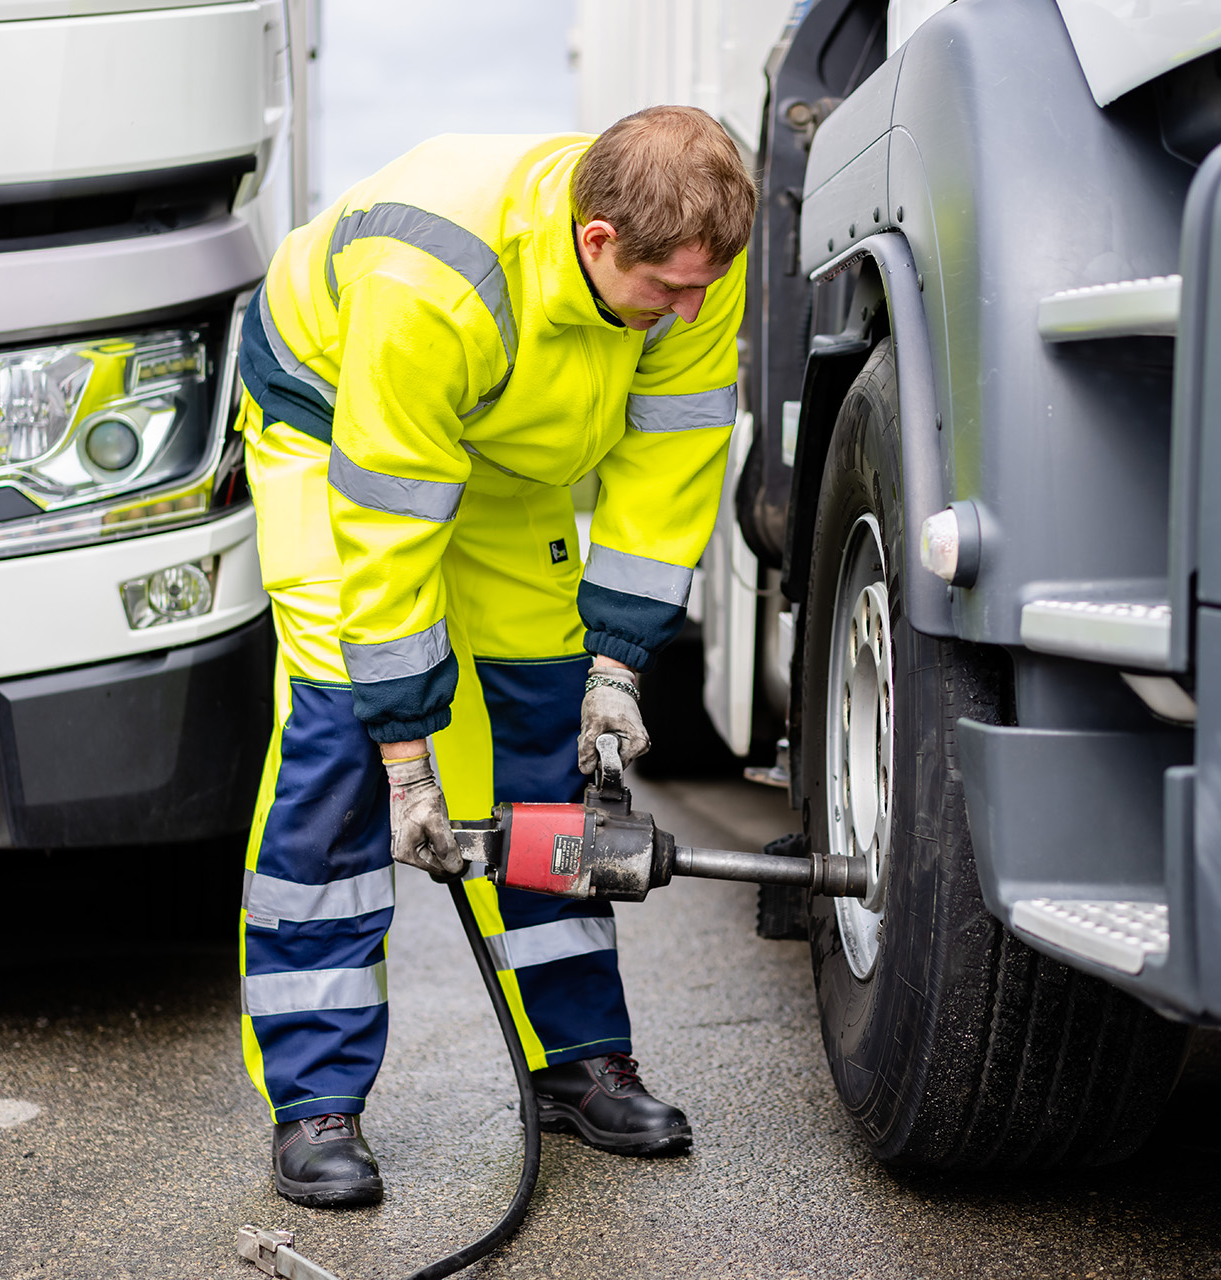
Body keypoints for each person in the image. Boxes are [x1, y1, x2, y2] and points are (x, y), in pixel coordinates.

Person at [232, 105, 755, 1207]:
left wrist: (615, 665)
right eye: (670, 289)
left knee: (545, 731)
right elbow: (390, 524)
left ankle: (577, 1057)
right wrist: (409, 758)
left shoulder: (692, 259)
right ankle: (315, 1100)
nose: (693, 311)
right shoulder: (435, 279)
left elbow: (669, 468)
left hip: (507, 457)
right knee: (340, 742)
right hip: (341, 430)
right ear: (599, 239)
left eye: (706, 287)